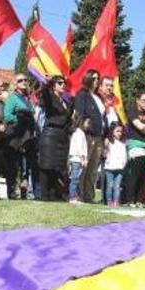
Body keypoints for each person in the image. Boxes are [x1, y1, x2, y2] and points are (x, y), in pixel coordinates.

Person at [2, 74, 37, 199]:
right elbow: (6, 116)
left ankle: (24, 191)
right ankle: (12, 191)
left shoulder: (27, 99)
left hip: (27, 135)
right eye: (20, 80)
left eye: (25, 80)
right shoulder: (12, 98)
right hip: (15, 135)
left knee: (25, 165)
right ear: (15, 84)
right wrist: (19, 118)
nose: (24, 82)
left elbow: (33, 114)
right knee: (14, 165)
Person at [37, 75, 72, 201]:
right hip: (50, 134)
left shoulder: (65, 101)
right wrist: (46, 83)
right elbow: (44, 93)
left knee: (59, 166)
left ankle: (55, 193)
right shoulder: (50, 97)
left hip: (62, 136)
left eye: (64, 83)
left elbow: (68, 118)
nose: (63, 85)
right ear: (54, 85)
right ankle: (44, 194)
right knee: (47, 165)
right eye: (59, 83)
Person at [73, 70, 106, 203]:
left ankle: (89, 195)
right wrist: (85, 128)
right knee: (83, 166)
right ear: (88, 79)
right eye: (94, 78)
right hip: (88, 135)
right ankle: (78, 194)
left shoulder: (98, 97)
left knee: (93, 168)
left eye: (98, 78)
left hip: (99, 136)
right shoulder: (83, 94)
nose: (97, 81)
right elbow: (80, 113)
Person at [104, 122, 127, 207]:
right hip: (110, 167)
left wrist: (123, 164)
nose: (119, 133)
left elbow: (124, 155)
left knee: (117, 186)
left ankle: (116, 201)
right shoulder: (108, 141)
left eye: (121, 131)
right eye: (117, 131)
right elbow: (105, 152)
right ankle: (109, 201)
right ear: (112, 131)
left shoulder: (123, 143)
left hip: (120, 168)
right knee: (110, 185)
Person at [68, 116, 90, 204]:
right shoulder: (78, 133)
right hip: (76, 159)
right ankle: (72, 197)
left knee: (77, 179)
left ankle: (75, 196)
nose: (88, 125)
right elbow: (80, 148)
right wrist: (83, 159)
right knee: (74, 178)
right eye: (87, 123)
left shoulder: (81, 133)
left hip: (78, 159)